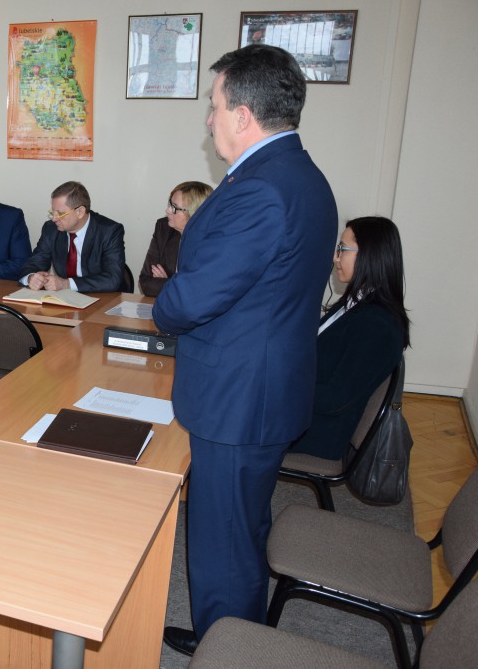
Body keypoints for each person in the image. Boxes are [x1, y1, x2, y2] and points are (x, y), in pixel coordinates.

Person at [153, 44, 337, 654]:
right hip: (257, 384)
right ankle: (233, 633)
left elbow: (194, 295)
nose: (209, 119)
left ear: (242, 114)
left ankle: (226, 651)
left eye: (214, 105)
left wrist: (164, 302)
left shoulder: (262, 189)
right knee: (239, 527)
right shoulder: (297, 175)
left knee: (223, 537)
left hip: (239, 397)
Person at [289, 217, 410, 459]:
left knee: (225, 411)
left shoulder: (376, 325)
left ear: (369, 255)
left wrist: (278, 388)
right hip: (301, 411)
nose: (335, 258)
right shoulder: (356, 302)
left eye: (342, 249)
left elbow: (336, 398)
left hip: (315, 431)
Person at [18, 181, 126, 293]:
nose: (54, 218)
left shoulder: (109, 231)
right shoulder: (51, 229)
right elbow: (32, 264)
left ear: (80, 212)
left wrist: (66, 284)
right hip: (66, 298)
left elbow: (112, 279)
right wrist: (31, 277)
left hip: (105, 297)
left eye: (60, 213)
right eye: (53, 212)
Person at [137, 181, 213, 297]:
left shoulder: (212, 240)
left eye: (174, 207)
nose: (167, 210)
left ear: (194, 213)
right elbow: (145, 283)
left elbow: (200, 290)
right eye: (170, 204)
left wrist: (169, 283)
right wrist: (175, 284)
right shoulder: (163, 229)